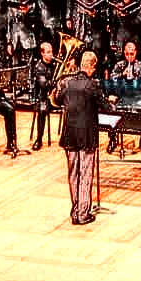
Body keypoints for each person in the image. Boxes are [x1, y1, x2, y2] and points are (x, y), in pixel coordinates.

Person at [53, 50, 116, 225]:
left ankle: (75, 211)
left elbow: (56, 100)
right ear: (92, 66)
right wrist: (112, 101)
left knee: (73, 174)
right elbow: (107, 107)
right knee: (85, 174)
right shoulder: (92, 85)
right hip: (86, 136)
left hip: (69, 135)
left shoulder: (66, 82)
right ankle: (82, 214)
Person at [110, 41, 141, 153]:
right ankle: (112, 139)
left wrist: (136, 78)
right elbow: (112, 79)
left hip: (136, 96)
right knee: (112, 109)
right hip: (122, 95)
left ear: (135, 53)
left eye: (131, 54)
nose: (129, 57)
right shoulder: (119, 65)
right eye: (127, 54)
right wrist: (121, 74)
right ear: (124, 53)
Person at [32, 42, 58, 151]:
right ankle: (39, 139)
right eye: (48, 52)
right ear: (42, 54)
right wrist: (55, 82)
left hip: (56, 95)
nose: (51, 54)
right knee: (42, 111)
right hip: (43, 97)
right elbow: (44, 85)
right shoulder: (39, 67)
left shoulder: (55, 64)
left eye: (51, 51)